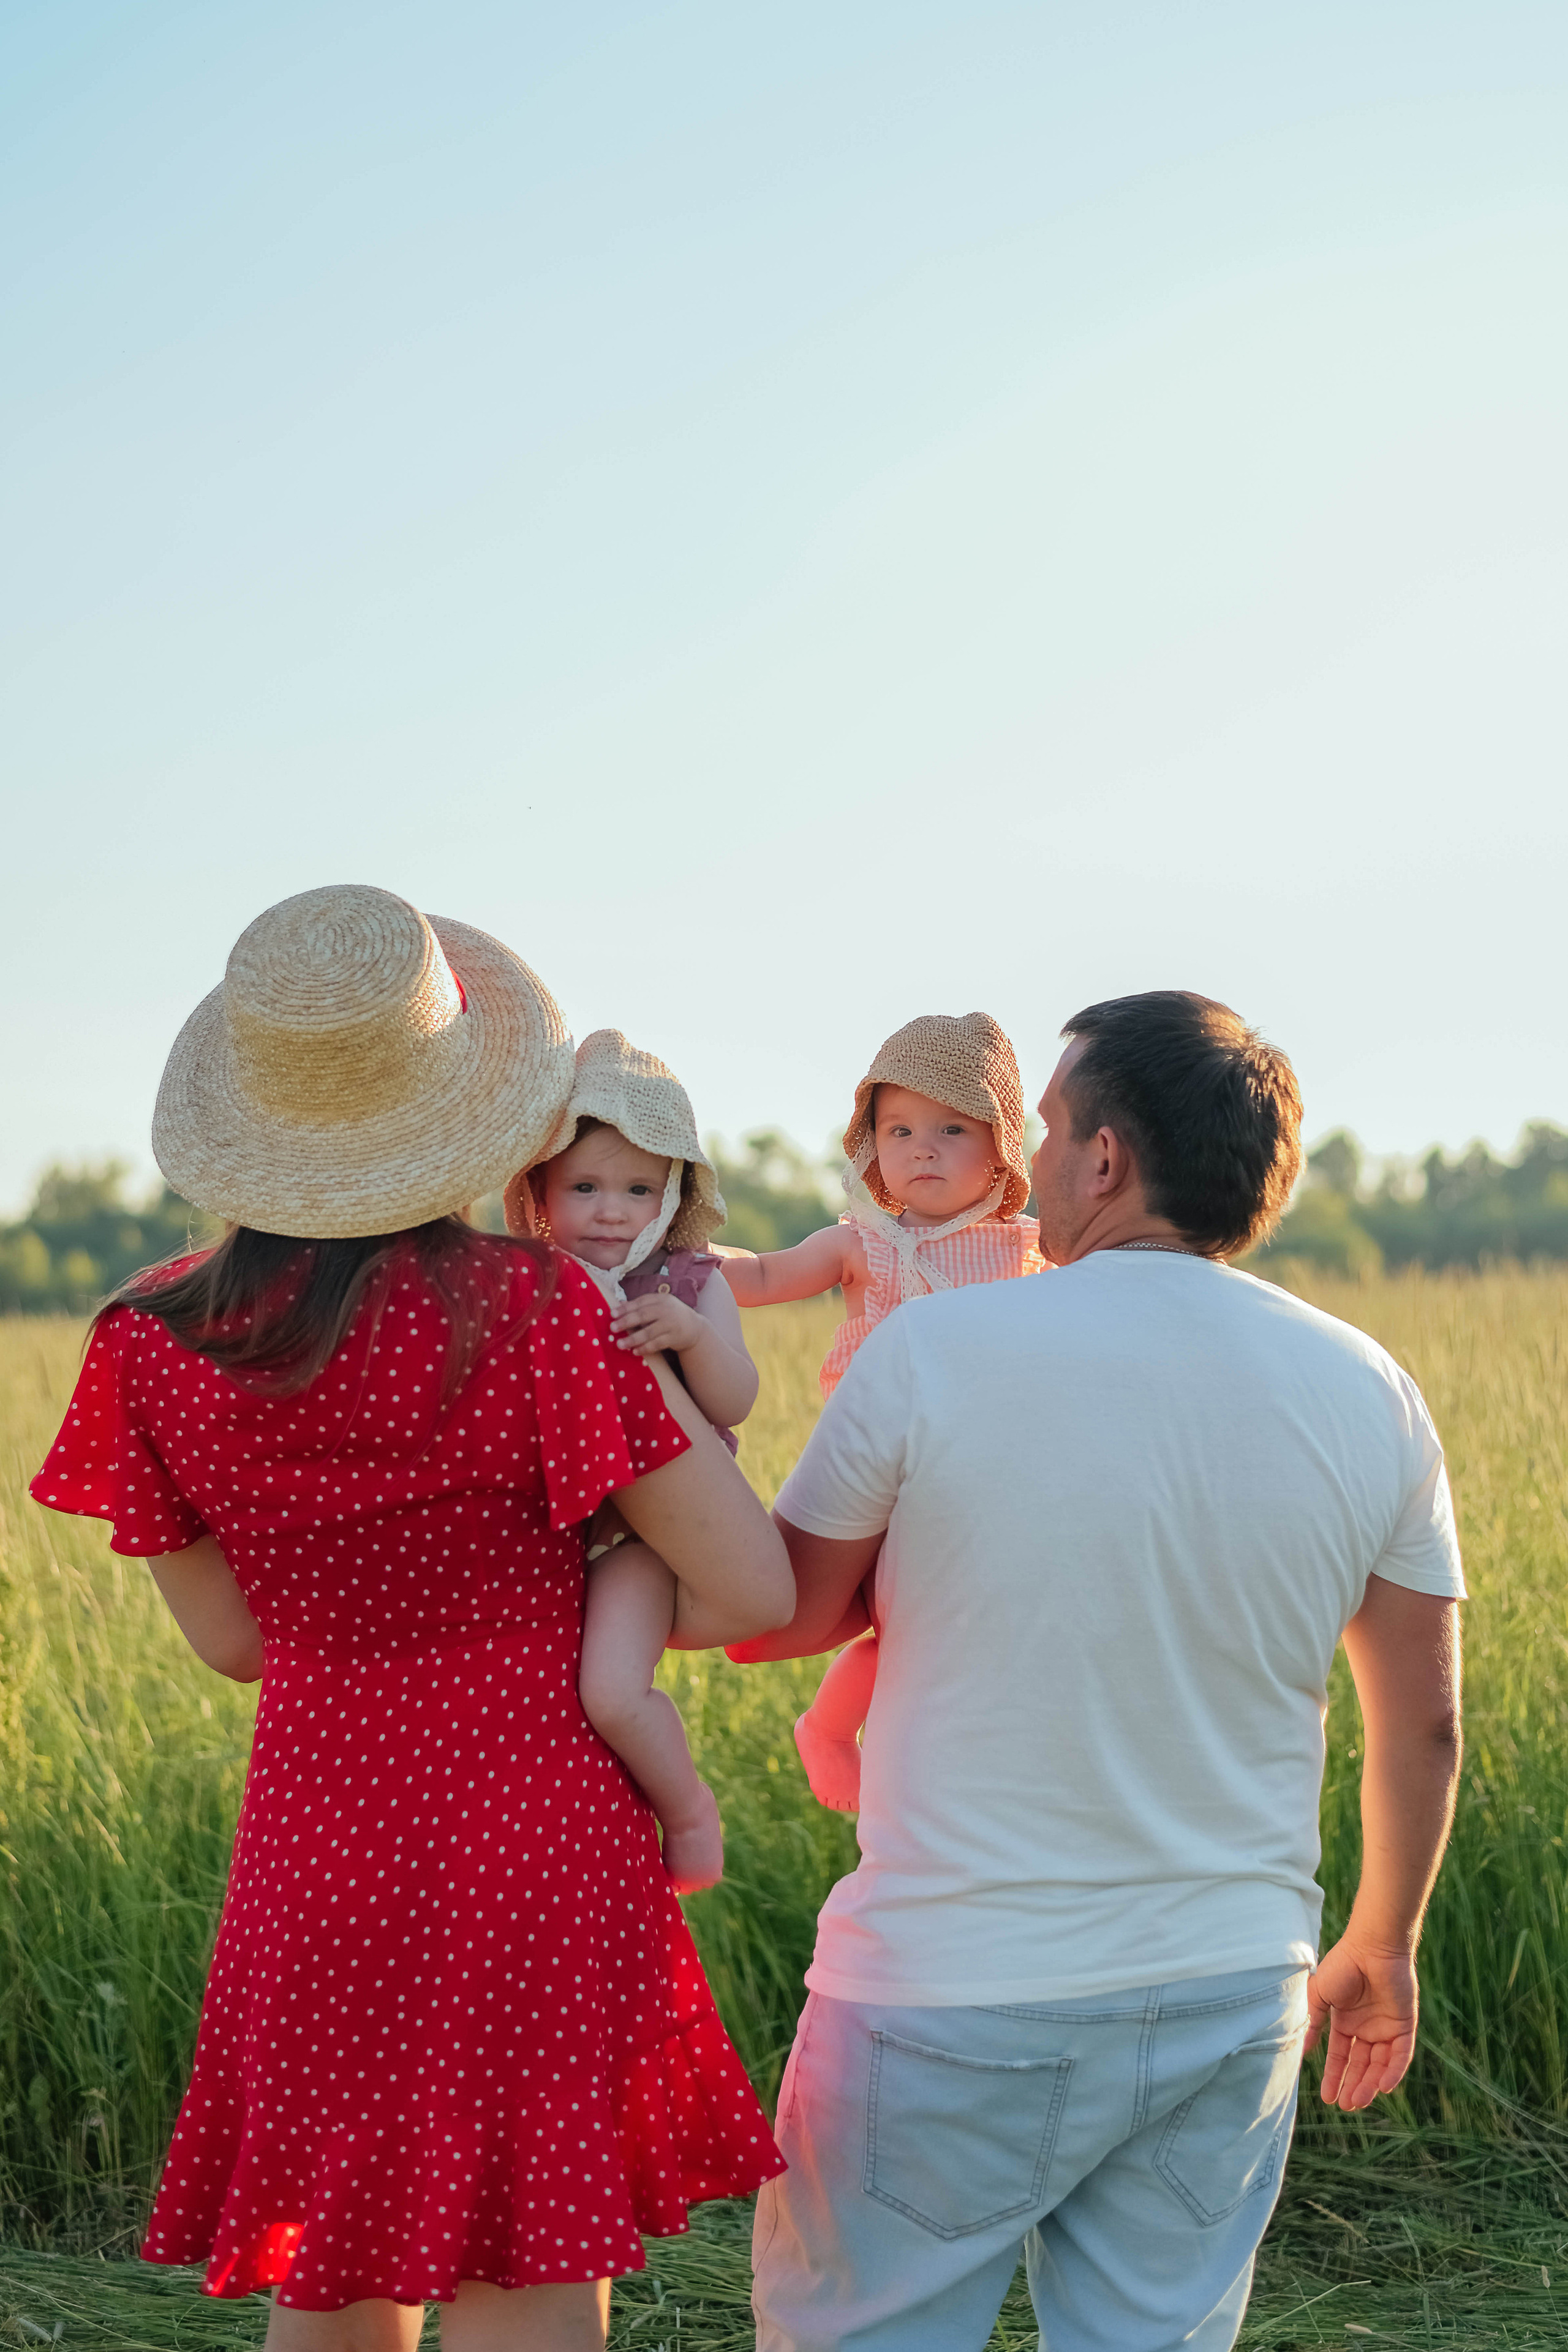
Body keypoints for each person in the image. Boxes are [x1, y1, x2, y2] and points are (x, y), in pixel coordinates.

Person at [30, 885, 792, 2352]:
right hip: (532, 1833)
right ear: (464, 1110)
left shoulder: (147, 1339)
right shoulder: (541, 1311)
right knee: (527, 2262)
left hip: (320, 1841)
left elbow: (238, 1644)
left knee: (338, 2265)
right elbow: (750, 1587)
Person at [732, 989, 1465, 2352]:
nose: (1032, 1156)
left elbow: (775, 1615)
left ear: (1106, 1159)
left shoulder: (928, 1351)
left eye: (1051, 1124)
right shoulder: (1369, 1385)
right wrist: (1381, 1943)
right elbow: (1419, 1726)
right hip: (1231, 1994)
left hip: (943, 1992)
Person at [718, 1012, 1046, 1810]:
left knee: (938, 1619)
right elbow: (760, 1275)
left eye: (951, 1129)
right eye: (898, 1130)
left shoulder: (1028, 1247)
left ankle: (976, 1745)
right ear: (870, 1146)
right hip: (875, 1468)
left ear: (1001, 1147)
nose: (922, 1148)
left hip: (978, 1465)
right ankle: (828, 1729)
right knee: (886, 1614)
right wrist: (665, 1263)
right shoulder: (860, 1244)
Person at [506, 1027, 760, 1893]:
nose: (612, 1211)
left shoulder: (688, 1282)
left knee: (612, 1692)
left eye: (638, 1189)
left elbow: (735, 1404)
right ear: (541, 1194)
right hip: (547, 1528)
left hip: (643, 1538)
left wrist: (690, 1338)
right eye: (585, 1187)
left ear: (675, 1192)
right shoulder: (529, 1286)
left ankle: (689, 1811)